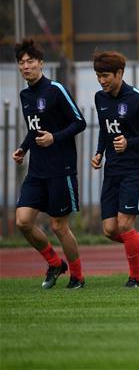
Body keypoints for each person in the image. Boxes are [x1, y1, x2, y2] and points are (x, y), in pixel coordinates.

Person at [12, 39, 87, 289]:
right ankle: (55, 263)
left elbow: (79, 122)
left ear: (41, 63)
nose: (25, 66)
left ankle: (77, 275)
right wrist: (24, 147)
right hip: (37, 170)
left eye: (30, 61)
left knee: (58, 225)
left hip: (60, 168)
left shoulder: (55, 90)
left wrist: (55, 137)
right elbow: (34, 129)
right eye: (21, 63)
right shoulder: (25, 95)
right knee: (23, 221)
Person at [91, 51, 139, 288]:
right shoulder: (100, 98)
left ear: (119, 73)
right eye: (98, 76)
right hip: (112, 169)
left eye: (106, 76)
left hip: (134, 168)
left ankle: (135, 279)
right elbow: (104, 129)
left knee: (124, 224)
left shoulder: (137, 98)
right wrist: (99, 152)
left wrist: (129, 143)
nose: (102, 81)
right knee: (110, 230)